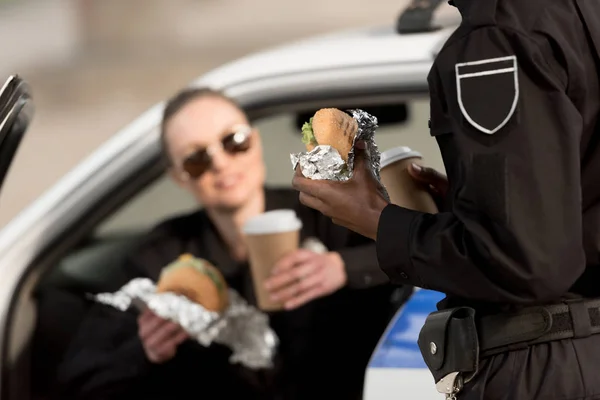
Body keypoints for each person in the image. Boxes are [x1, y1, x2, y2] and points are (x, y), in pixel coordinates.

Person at [291, 0, 600, 399]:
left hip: (547, 364)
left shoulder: (498, 36)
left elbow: (527, 261)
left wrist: (377, 220)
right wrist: (471, 203)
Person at [56, 87, 407, 400]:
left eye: (233, 141)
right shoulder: (161, 259)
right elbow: (80, 377)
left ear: (255, 141)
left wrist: (344, 269)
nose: (221, 163)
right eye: (197, 159)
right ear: (178, 176)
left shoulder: (329, 213)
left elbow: (428, 255)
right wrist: (145, 351)